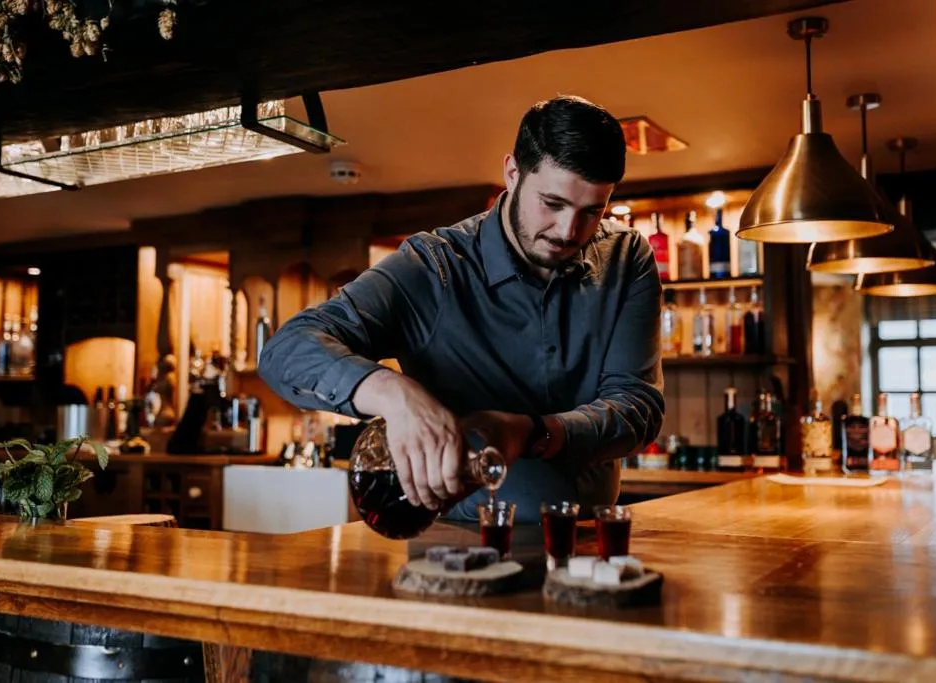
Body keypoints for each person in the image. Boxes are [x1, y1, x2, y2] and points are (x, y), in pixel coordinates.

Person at [258, 95, 665, 523]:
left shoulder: (626, 258)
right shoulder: (432, 268)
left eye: (591, 212)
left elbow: (637, 408)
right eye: (553, 203)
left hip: (589, 541)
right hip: (458, 549)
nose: (569, 230)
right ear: (512, 173)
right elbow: (287, 349)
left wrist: (529, 433)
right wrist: (396, 396)